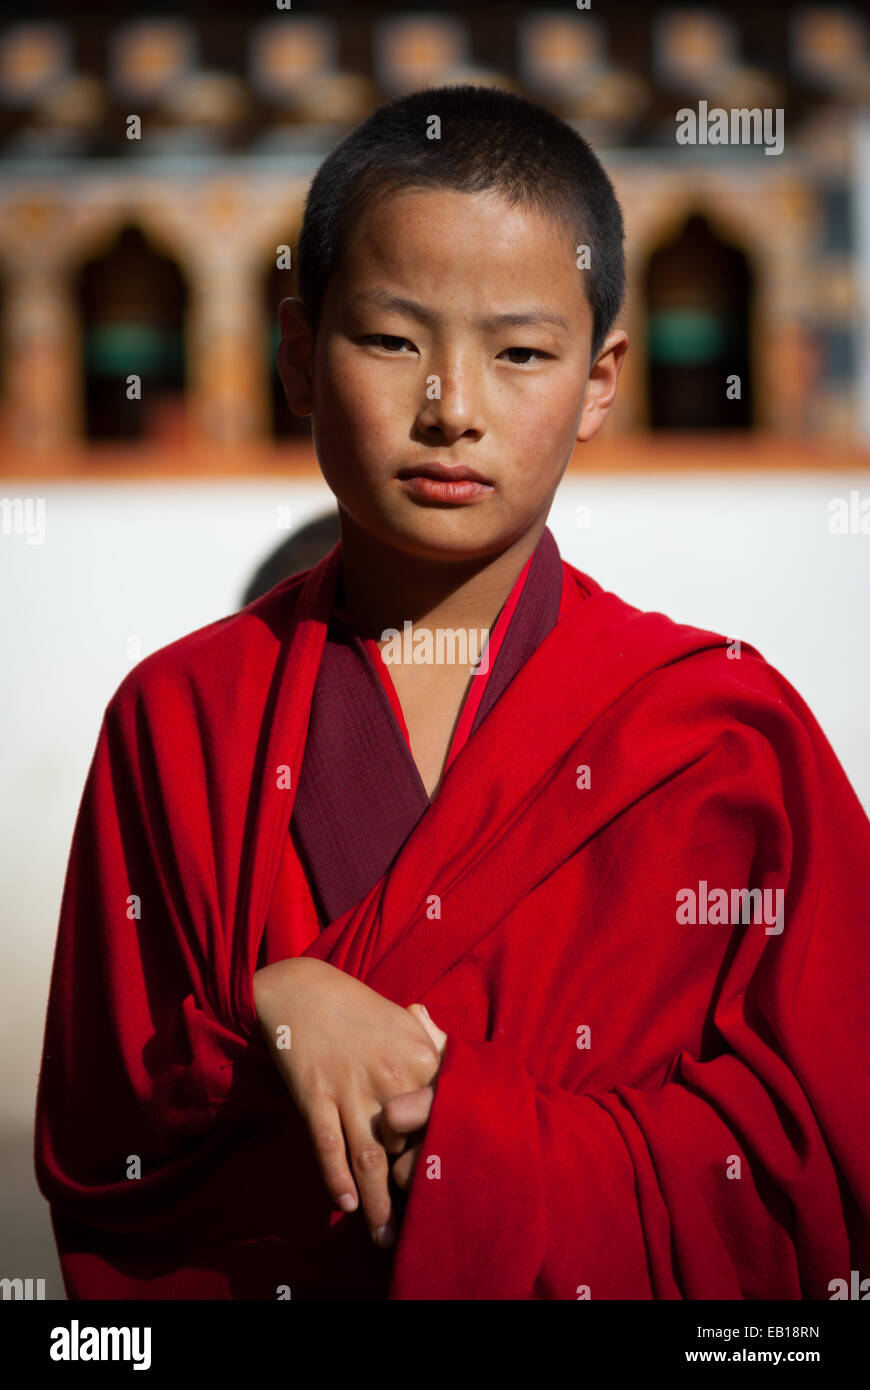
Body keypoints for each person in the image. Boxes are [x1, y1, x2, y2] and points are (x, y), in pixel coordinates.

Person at [35, 83, 870, 1301]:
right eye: (389, 340)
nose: (452, 409)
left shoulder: (721, 738)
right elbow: (105, 1171)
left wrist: (468, 1140)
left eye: (522, 352)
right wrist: (264, 1021)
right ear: (297, 355)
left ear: (600, 381)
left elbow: (819, 1166)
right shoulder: (179, 720)